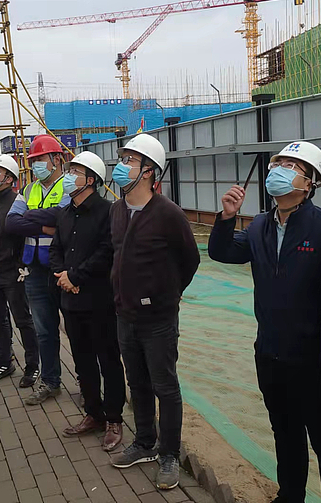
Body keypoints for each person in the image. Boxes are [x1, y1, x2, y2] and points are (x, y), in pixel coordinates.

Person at [209, 141, 321, 503]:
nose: (278, 172)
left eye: (291, 167)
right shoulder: (260, 225)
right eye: (277, 165)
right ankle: (290, 496)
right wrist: (227, 218)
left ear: (310, 182)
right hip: (270, 353)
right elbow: (223, 252)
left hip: (314, 359)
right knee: (285, 432)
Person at [108, 133, 200, 490]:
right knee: (138, 382)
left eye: (130, 160)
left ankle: (169, 454)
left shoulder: (168, 213)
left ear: (149, 171)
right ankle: (145, 442)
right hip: (125, 315)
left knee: (166, 386)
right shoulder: (117, 210)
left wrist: (167, 295)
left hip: (158, 320)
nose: (122, 166)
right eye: (123, 159)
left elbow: (189, 260)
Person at [49, 151, 126, 452]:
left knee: (109, 361)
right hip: (70, 301)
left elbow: (106, 252)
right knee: (82, 361)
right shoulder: (65, 213)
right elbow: (56, 248)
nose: (68, 177)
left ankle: (114, 419)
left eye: (75, 172)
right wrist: (63, 276)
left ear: (91, 180)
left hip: (99, 301)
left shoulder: (108, 211)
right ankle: (93, 413)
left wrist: (76, 277)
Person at [6, 134, 70, 405]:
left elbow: (63, 218)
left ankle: (86, 381)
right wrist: (45, 226)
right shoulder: (29, 190)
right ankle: (50, 382)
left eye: (40, 159)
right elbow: (11, 222)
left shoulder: (69, 185)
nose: (35, 165)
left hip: (63, 270)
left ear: (57, 159)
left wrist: (29, 217)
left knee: (77, 330)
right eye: (33, 161)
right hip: (34, 268)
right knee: (44, 330)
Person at [0, 154, 41, 387]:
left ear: (9, 178)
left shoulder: (18, 202)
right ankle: (3, 362)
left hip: (12, 274)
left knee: (23, 320)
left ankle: (32, 366)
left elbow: (25, 237)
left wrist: (20, 266)